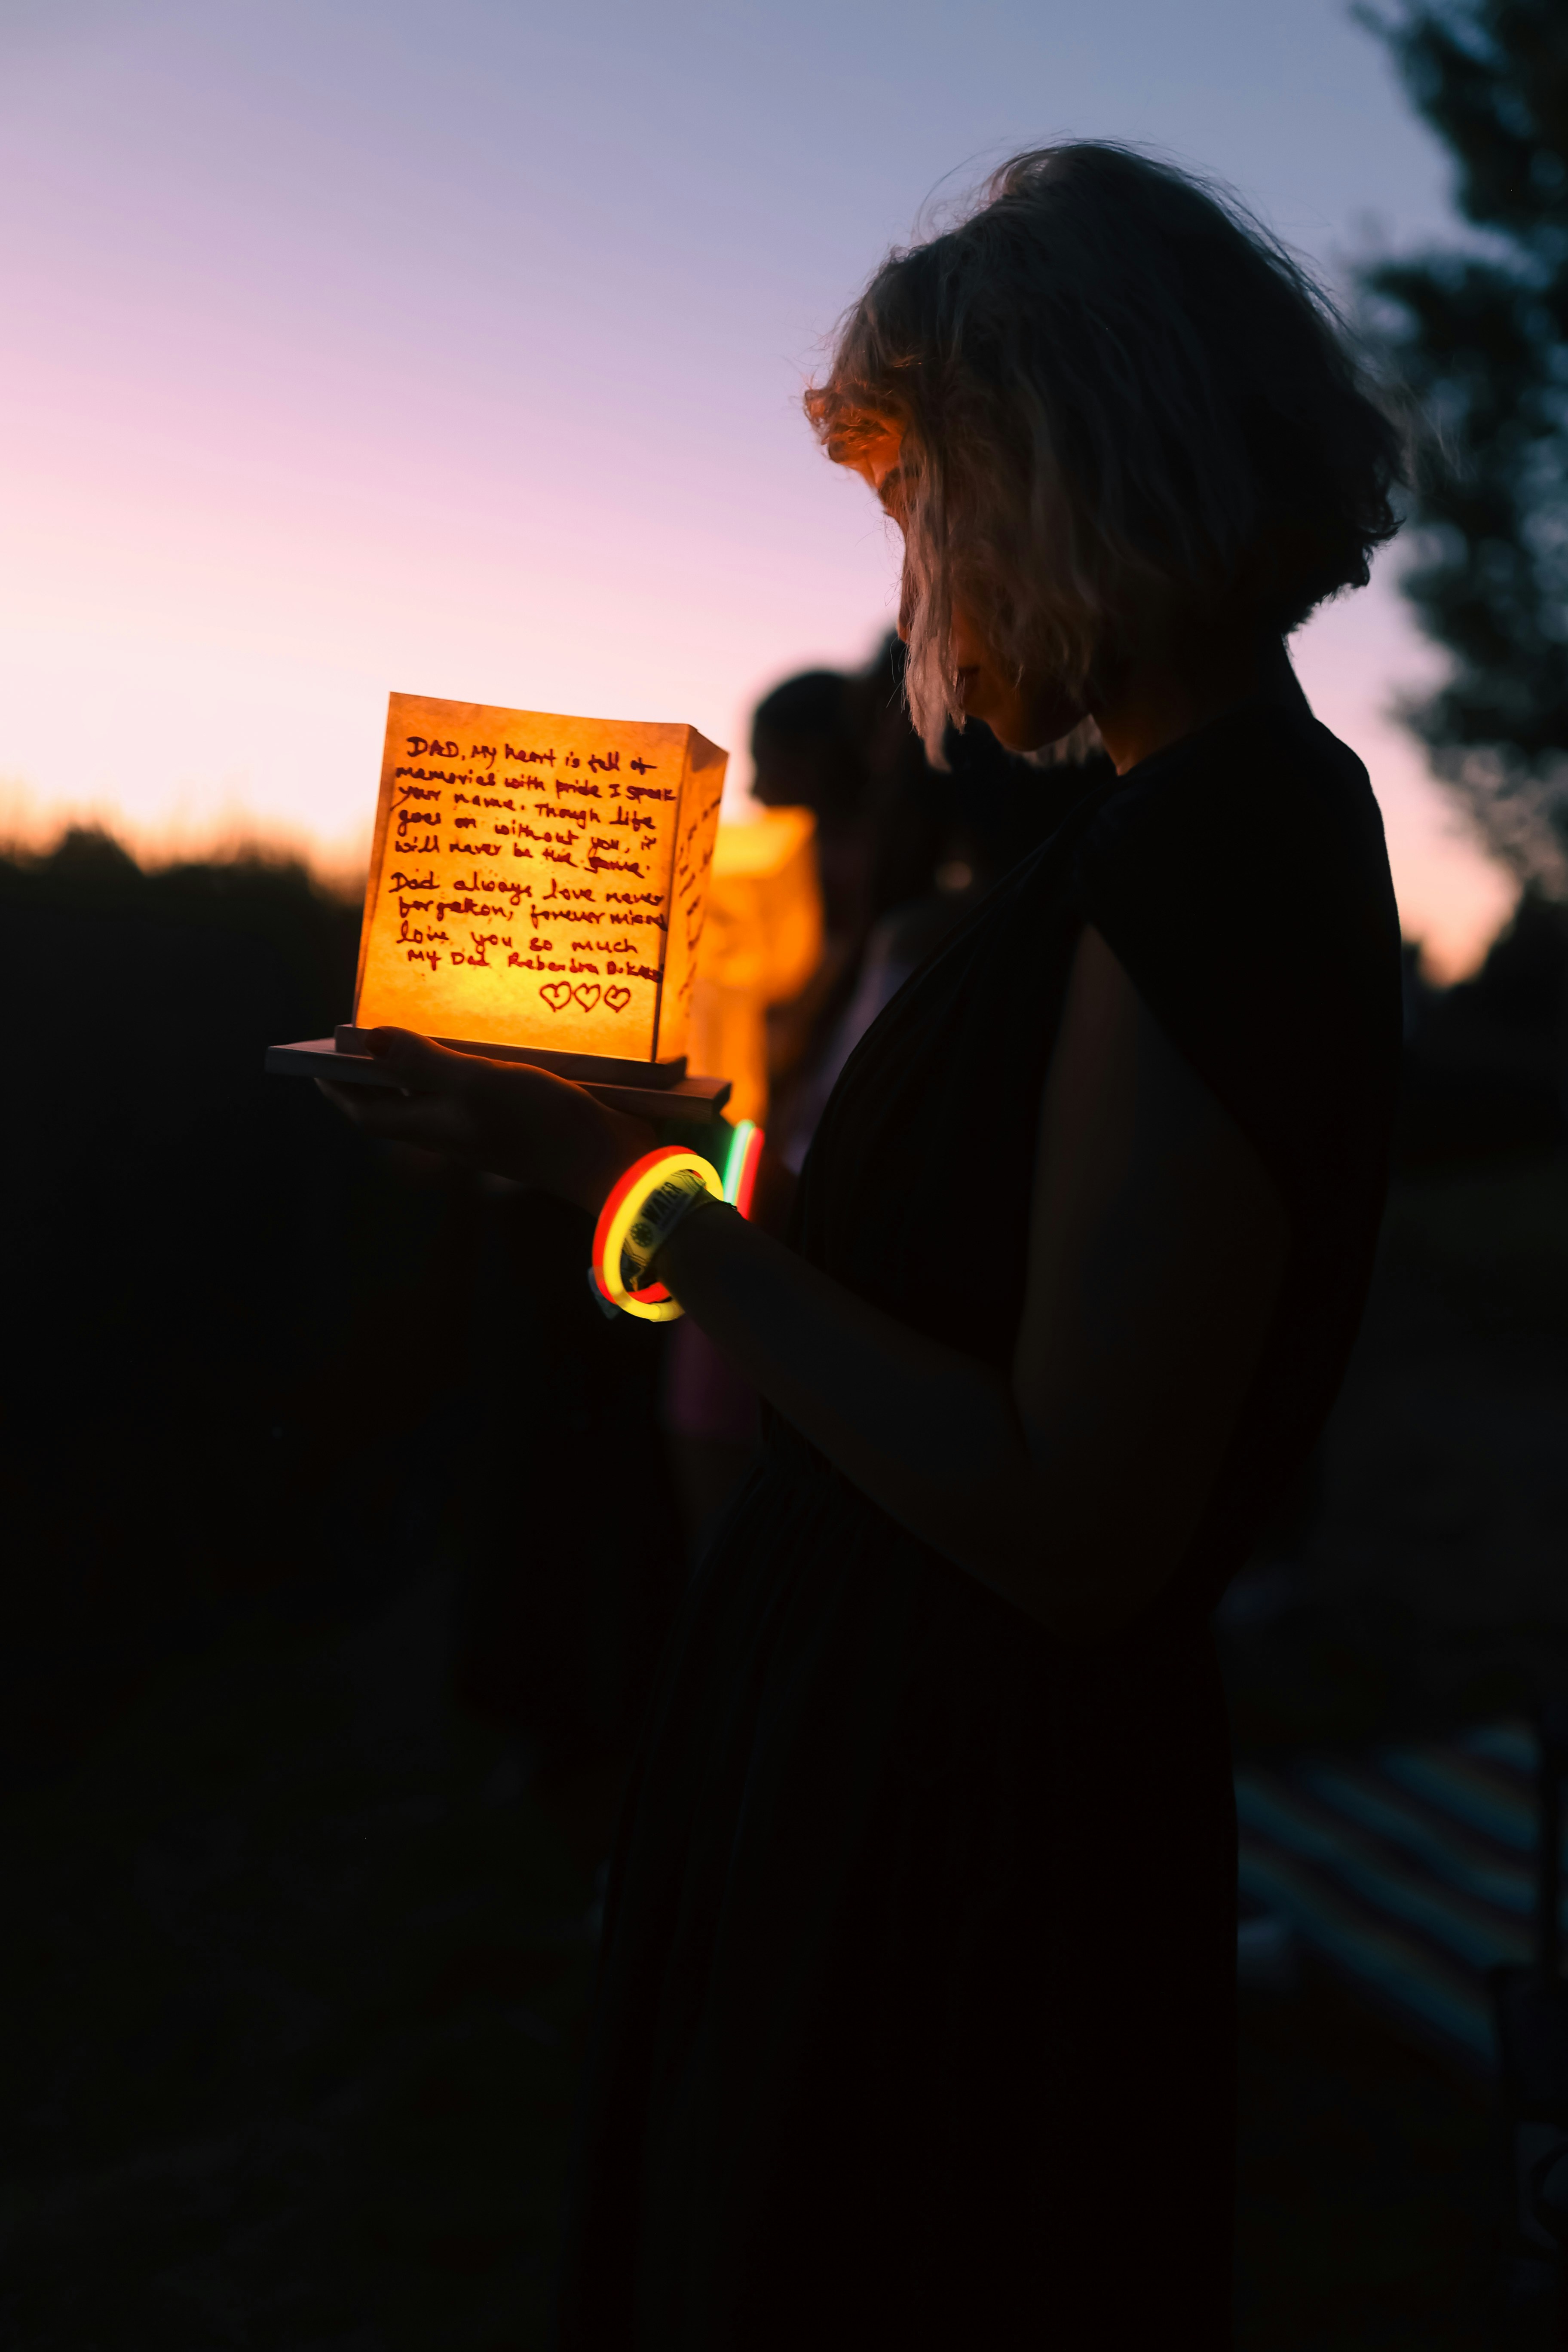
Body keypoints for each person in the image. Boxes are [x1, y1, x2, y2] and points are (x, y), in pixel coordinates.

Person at [319, 142, 1407, 2348]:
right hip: (874, 1778)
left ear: (1056, 470)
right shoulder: (1158, 837)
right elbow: (950, 1298)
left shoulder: (1222, 856)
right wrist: (639, 1151)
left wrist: (648, 1221)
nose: (912, 574)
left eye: (920, 500)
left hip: (958, 1855)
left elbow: (1074, 1511)